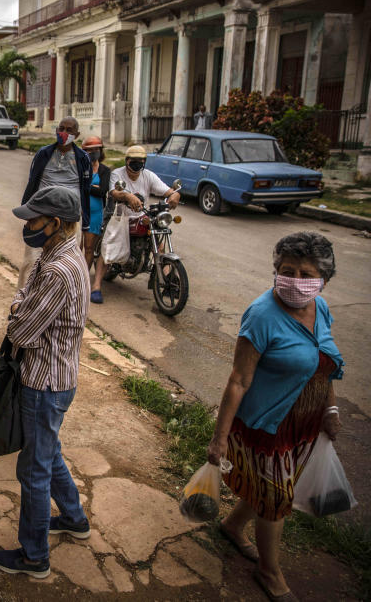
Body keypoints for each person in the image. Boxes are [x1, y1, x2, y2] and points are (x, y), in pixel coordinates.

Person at [207, 232, 343, 602]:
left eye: (305, 273)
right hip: (265, 427)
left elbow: (323, 363)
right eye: (287, 271)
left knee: (271, 489)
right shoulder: (262, 315)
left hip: (303, 424)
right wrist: (220, 438)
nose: (295, 281)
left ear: (322, 280)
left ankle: (233, 526)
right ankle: (269, 571)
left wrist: (330, 409)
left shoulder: (321, 308)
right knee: (277, 498)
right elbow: (238, 379)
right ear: (276, 272)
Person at [0, 186, 91, 580]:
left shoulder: (57, 268)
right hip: (56, 377)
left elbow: (22, 332)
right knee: (48, 452)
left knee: (33, 469)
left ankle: (34, 557)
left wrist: (16, 310)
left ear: (57, 223)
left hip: (44, 383)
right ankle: (74, 517)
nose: (28, 225)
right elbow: (24, 293)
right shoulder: (57, 254)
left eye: (34, 219)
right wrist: (21, 303)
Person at [16, 116, 92, 287]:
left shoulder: (83, 158)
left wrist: (85, 222)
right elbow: (32, 181)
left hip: (69, 219)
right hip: (42, 215)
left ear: (77, 135)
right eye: (61, 128)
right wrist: (27, 211)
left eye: (69, 130)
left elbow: (85, 190)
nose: (64, 133)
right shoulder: (43, 154)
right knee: (32, 259)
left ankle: (60, 295)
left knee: (66, 259)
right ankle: (23, 299)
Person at [109, 144, 180, 216]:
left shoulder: (149, 175)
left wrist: (175, 194)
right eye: (133, 160)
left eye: (140, 160)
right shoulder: (117, 173)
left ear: (144, 161)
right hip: (119, 219)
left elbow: (168, 191)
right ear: (127, 160)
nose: (137, 162)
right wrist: (127, 196)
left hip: (142, 219)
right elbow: (114, 192)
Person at [81, 135, 111, 304]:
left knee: (89, 248)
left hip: (96, 214)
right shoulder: (79, 168)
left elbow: (102, 192)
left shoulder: (104, 170)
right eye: (89, 151)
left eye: (96, 150)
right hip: (79, 213)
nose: (93, 153)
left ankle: (84, 283)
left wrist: (86, 186)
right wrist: (92, 187)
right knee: (77, 247)